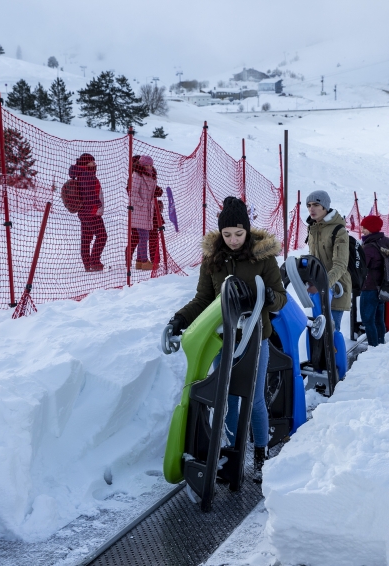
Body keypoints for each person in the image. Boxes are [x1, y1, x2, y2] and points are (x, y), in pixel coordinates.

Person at [167, 196, 287, 483]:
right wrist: (180, 319)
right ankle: (233, 453)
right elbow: (204, 300)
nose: (233, 240)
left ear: (247, 231)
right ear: (220, 234)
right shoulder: (213, 261)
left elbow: (280, 298)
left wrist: (269, 298)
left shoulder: (263, 257)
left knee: (254, 399)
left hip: (255, 338)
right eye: (227, 234)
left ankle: (260, 452)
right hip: (224, 340)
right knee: (230, 398)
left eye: (239, 234)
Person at [305, 190, 352, 332]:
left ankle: (338, 355)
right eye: (308, 205)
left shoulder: (339, 230)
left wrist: (323, 285)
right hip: (317, 290)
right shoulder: (313, 228)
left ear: (325, 207)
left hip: (337, 288)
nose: (311, 209)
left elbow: (340, 265)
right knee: (318, 333)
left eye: (316, 204)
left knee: (331, 333)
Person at [359, 215, 389, 347]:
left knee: (368, 319)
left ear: (371, 229)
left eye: (364, 228)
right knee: (379, 319)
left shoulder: (369, 247)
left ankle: (373, 347)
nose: (362, 230)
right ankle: (381, 344)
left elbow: (363, 266)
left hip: (369, 286)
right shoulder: (386, 241)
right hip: (383, 286)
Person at [70, 153, 106, 271]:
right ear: (86, 163)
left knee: (86, 237)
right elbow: (89, 192)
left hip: (83, 211)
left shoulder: (80, 173)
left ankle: (87, 263)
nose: (95, 164)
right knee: (102, 236)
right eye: (92, 162)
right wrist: (98, 202)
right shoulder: (86, 174)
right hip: (91, 211)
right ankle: (94, 261)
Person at [128, 155, 159, 271]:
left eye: (151, 165)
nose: (149, 167)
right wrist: (142, 203)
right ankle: (144, 261)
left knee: (143, 237)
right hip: (139, 210)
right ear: (142, 165)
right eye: (147, 165)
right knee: (143, 236)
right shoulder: (137, 175)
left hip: (147, 210)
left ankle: (140, 261)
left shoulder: (151, 175)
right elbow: (133, 193)